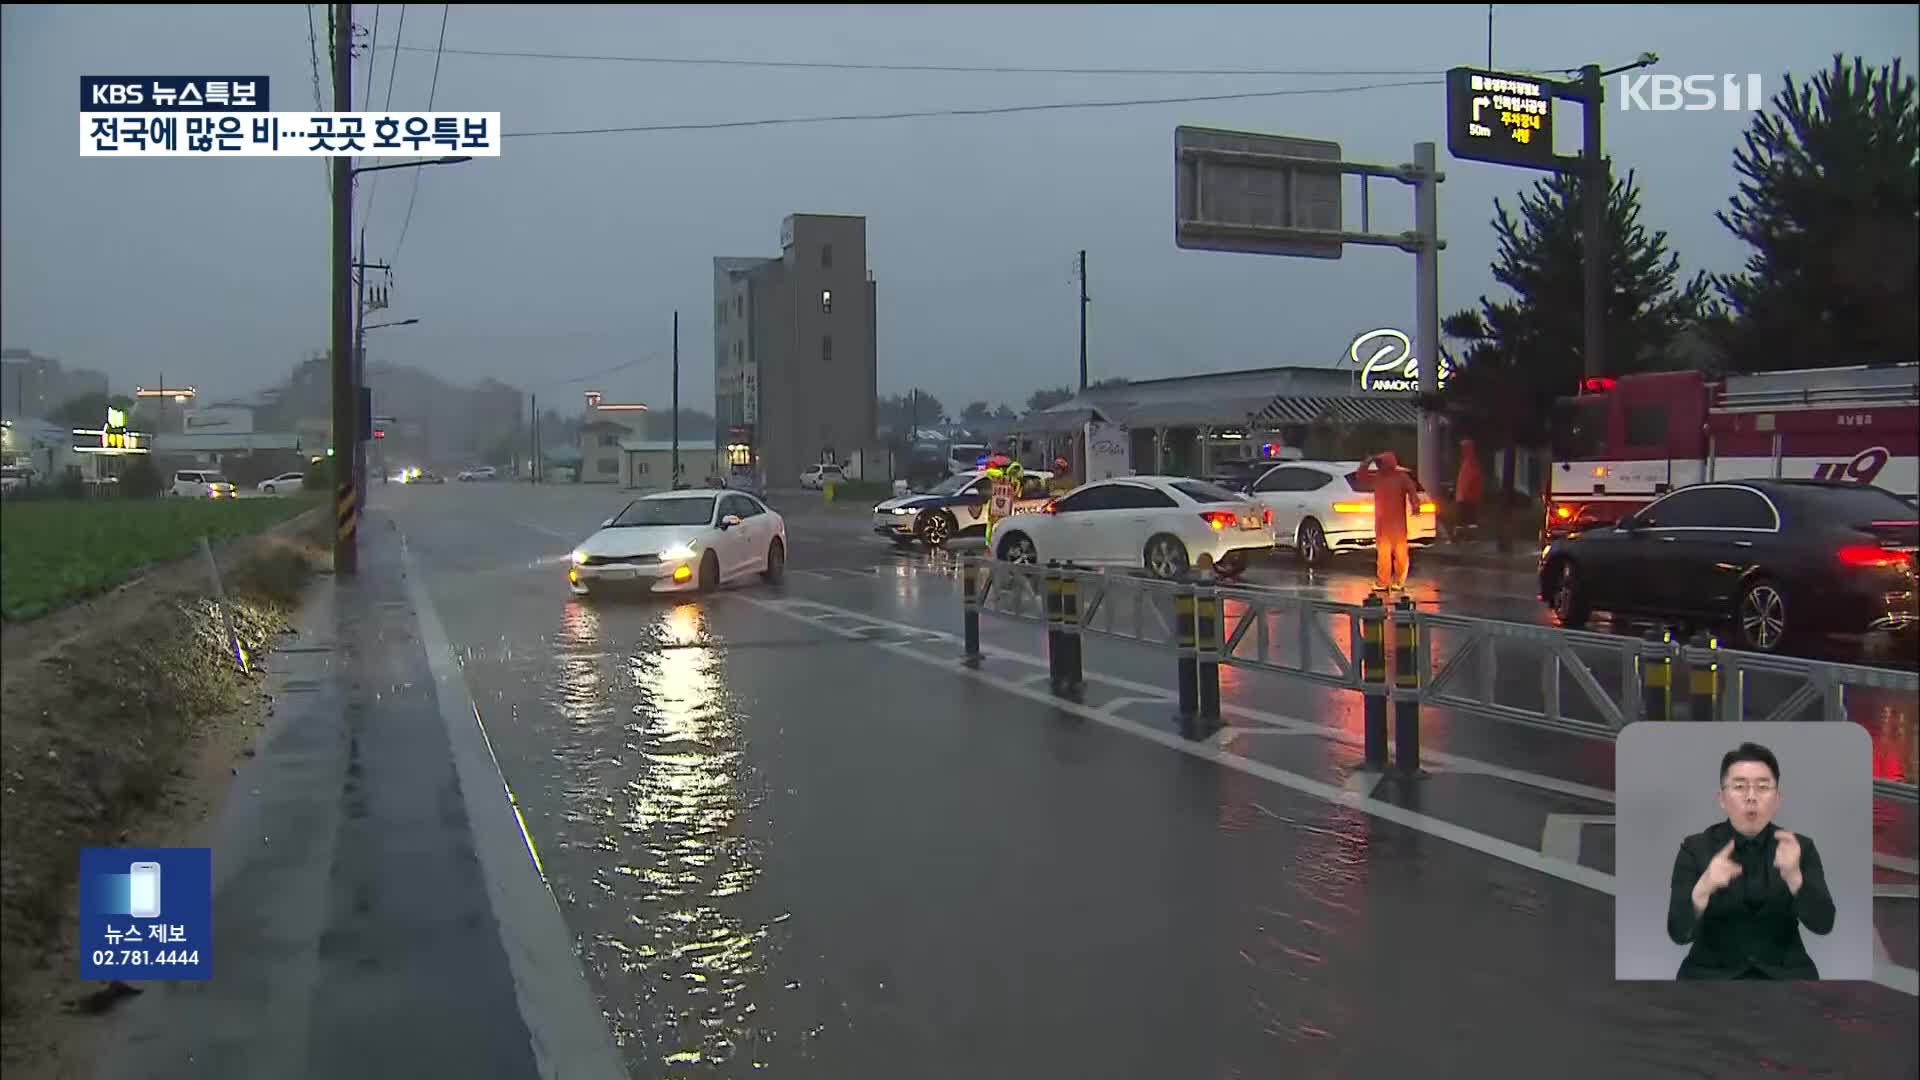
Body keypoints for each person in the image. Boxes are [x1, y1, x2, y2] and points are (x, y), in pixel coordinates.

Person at [1666, 742, 1835, 980]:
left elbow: (1824, 924)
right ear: (1722, 798)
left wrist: (1794, 877)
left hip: (1786, 977)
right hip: (1711, 977)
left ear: (1777, 799)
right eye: (1739, 787)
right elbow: (1678, 933)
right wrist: (1704, 887)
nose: (1751, 797)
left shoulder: (1799, 848)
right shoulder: (1695, 848)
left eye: (1763, 787)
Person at [1362, 451, 1421, 592]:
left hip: (1389, 523)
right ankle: (1392, 582)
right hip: (1391, 523)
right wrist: (1415, 505)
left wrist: (1366, 463)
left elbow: (1412, 491)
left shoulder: (1392, 478)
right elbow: (1412, 491)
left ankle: (1388, 582)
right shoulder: (1392, 478)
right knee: (1388, 554)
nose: (1379, 466)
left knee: (1394, 553)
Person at [1453, 438, 1483, 540]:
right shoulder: (1469, 461)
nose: (1462, 451)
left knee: (1464, 519)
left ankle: (1463, 536)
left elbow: (1469, 480)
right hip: (1467, 496)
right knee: (1468, 519)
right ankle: (1466, 536)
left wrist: (1463, 494)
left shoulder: (1470, 462)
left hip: (1466, 497)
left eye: (1463, 448)